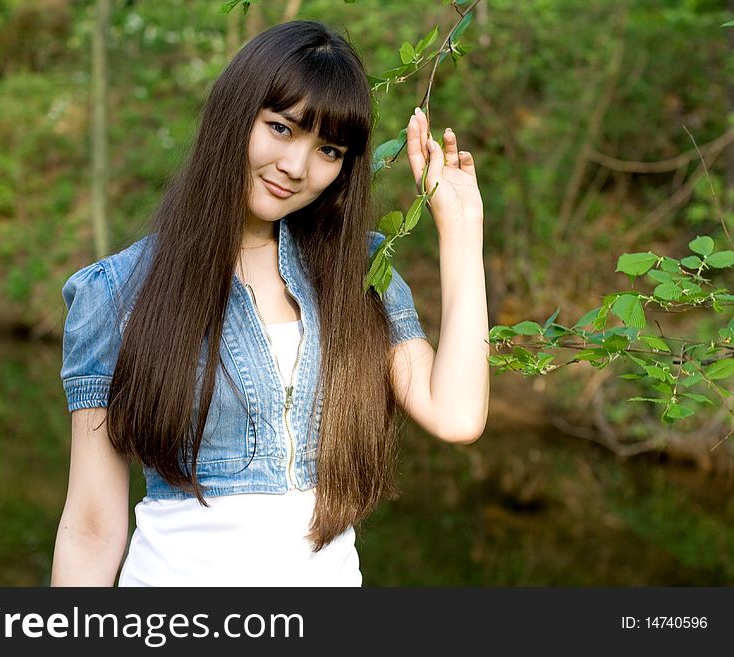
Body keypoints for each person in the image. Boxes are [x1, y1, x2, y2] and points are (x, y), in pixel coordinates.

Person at [51, 19, 489, 587]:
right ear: (235, 115)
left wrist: (461, 229)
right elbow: (90, 528)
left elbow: (454, 414)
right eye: (281, 129)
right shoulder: (115, 293)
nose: (297, 167)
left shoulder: (357, 273)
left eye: (327, 149)